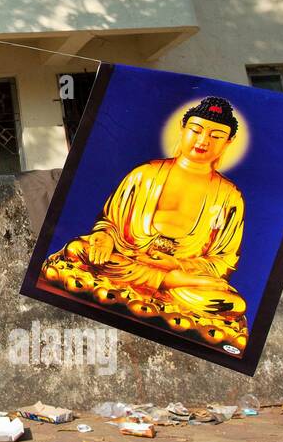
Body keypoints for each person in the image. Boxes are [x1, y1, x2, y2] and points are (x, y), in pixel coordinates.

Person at [40, 96, 248, 349]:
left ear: (229, 142)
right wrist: (104, 239)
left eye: (216, 136)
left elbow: (223, 260)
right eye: (196, 130)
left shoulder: (229, 196)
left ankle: (162, 286)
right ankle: (165, 286)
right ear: (183, 129)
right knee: (77, 250)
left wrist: (177, 264)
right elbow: (109, 224)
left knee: (230, 303)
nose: (203, 140)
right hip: (129, 261)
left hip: (180, 275)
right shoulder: (145, 174)